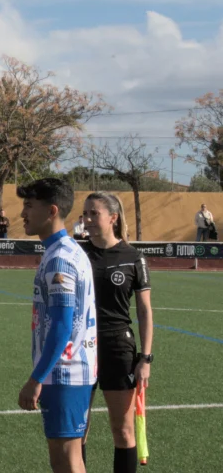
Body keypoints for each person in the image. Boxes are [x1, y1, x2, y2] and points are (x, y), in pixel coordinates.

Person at [17, 178, 96, 473]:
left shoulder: (60, 260)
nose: (22, 213)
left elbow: (62, 326)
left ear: (51, 211)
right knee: (68, 459)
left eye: (29, 206)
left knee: (65, 460)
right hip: (70, 370)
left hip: (63, 373)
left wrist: (36, 379)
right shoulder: (66, 250)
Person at [81, 192, 153, 473]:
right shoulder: (78, 253)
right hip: (81, 348)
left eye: (93, 213)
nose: (86, 219)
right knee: (78, 429)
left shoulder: (133, 257)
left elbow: (144, 310)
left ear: (113, 218)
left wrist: (145, 359)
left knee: (122, 431)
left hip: (117, 349)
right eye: (84, 213)